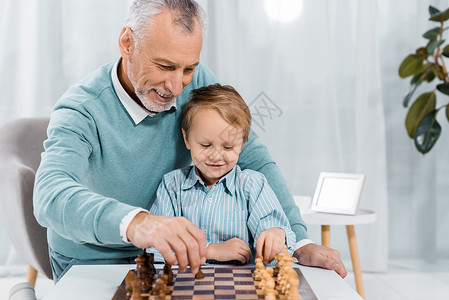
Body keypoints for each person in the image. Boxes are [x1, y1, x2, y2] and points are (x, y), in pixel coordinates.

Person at [33, 0, 346, 283]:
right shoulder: (81, 107)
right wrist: (140, 224)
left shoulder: (193, 80)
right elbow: (49, 195)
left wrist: (300, 242)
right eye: (165, 66)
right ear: (127, 43)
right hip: (94, 257)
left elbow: (253, 157)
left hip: (176, 258)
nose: (176, 85)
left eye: (188, 68)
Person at [149, 83, 297, 265]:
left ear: (242, 143)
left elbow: (282, 239)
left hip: (243, 288)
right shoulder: (172, 186)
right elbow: (154, 248)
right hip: (187, 289)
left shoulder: (252, 185)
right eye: (205, 145)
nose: (216, 156)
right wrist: (209, 250)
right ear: (187, 139)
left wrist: (276, 234)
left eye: (228, 147)